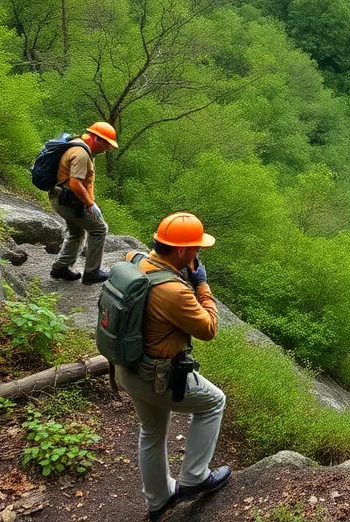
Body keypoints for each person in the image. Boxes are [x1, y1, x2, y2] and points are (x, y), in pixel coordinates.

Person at [119, 212, 230, 522]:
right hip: (156, 375)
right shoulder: (174, 291)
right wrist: (202, 285)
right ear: (182, 251)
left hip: (128, 368)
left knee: (151, 431)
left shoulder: (137, 261)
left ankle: (158, 501)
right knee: (213, 402)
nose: (198, 254)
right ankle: (195, 477)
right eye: (196, 249)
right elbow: (208, 329)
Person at [49, 121, 116, 285]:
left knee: (77, 232)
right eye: (105, 145)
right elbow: (75, 183)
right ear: (96, 138)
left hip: (60, 199)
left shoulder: (76, 143)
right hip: (69, 201)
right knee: (99, 228)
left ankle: (61, 267)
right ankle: (92, 272)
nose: (105, 150)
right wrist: (89, 204)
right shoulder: (82, 154)